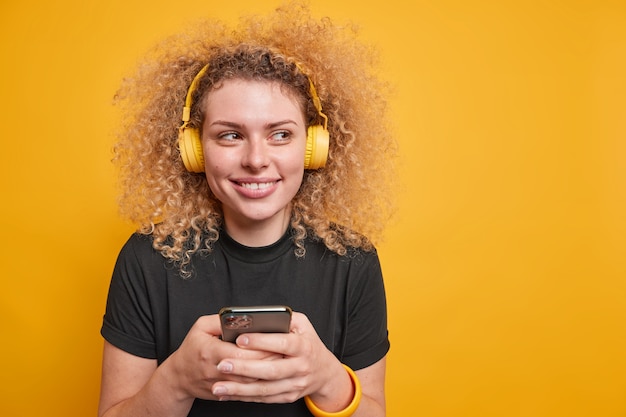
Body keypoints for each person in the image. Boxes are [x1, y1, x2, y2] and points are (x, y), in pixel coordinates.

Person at [98, 2, 396, 417]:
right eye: (231, 135)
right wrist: (177, 380)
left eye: (280, 134)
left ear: (313, 149)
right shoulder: (146, 260)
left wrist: (327, 378)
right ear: (194, 151)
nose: (256, 159)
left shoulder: (353, 262)